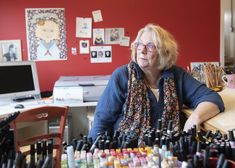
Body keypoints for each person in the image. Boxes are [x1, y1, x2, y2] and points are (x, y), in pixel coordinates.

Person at [88, 23, 225, 141]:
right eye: (139, 44)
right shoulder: (122, 76)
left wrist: (194, 118)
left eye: (150, 45)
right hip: (128, 155)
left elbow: (212, 98)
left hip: (167, 154)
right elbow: (101, 122)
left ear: (164, 51)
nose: (142, 49)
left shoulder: (176, 75)